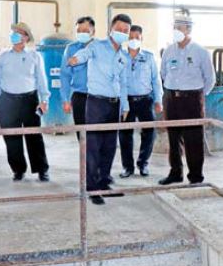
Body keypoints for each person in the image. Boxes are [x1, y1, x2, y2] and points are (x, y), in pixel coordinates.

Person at [68, 14, 132, 205]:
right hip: (96, 103)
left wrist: (125, 105)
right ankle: (91, 187)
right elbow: (84, 54)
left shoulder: (124, 56)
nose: (122, 33)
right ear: (110, 29)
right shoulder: (96, 46)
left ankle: (104, 182)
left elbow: (124, 83)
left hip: (115, 105)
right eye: (119, 29)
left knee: (110, 146)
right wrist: (76, 59)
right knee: (93, 145)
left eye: (125, 31)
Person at [158, 11, 215, 186]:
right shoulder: (168, 51)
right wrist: (171, 91)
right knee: (173, 138)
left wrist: (197, 96)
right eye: (174, 27)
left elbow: (210, 78)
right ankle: (175, 173)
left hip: (192, 100)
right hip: (171, 99)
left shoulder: (200, 52)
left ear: (188, 30)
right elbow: (163, 74)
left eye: (179, 28)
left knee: (193, 139)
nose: (176, 31)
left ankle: (196, 176)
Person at [0, 22, 51, 182]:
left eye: (18, 32)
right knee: (11, 137)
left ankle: (42, 169)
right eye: (13, 32)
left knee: (34, 136)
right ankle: (18, 170)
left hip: (29, 100)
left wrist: (44, 100)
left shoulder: (34, 56)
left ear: (26, 37)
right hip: (7, 101)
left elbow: (41, 80)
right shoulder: (3, 56)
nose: (14, 35)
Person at [119, 25, 163, 178]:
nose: (133, 40)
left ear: (142, 38)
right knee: (125, 134)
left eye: (136, 37)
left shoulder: (149, 57)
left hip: (145, 100)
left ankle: (143, 163)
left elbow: (155, 80)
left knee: (149, 133)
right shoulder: (119, 56)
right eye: (131, 37)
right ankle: (127, 167)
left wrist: (158, 100)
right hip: (126, 101)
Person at [60, 16, 95, 138]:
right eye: (79, 31)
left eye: (85, 31)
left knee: (97, 134)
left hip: (98, 97)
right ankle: (84, 151)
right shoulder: (71, 49)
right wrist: (65, 99)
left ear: (93, 31)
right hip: (79, 97)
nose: (82, 33)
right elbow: (65, 75)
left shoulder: (100, 48)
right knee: (82, 135)